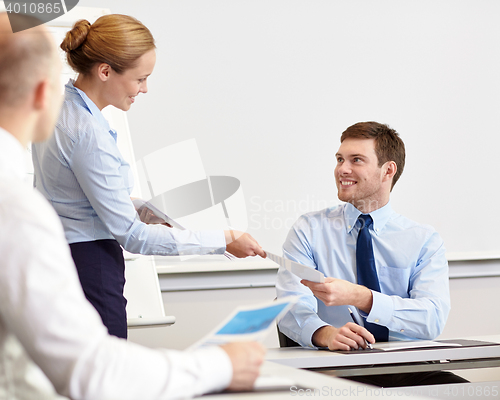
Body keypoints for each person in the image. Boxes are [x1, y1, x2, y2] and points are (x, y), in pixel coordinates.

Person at [0, 12, 265, 399]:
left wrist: (136, 204)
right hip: (93, 267)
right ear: (105, 71)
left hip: (74, 254)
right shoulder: (85, 133)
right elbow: (132, 236)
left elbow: (79, 193)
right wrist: (222, 239)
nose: (144, 89)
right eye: (140, 79)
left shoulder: (66, 106)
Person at [276, 121, 467, 386]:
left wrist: (363, 298)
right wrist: (325, 333)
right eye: (340, 159)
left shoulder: (423, 239)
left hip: (408, 367)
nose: (343, 169)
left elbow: (431, 318)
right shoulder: (309, 229)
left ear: (387, 170)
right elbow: (289, 305)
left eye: (356, 160)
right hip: (333, 368)